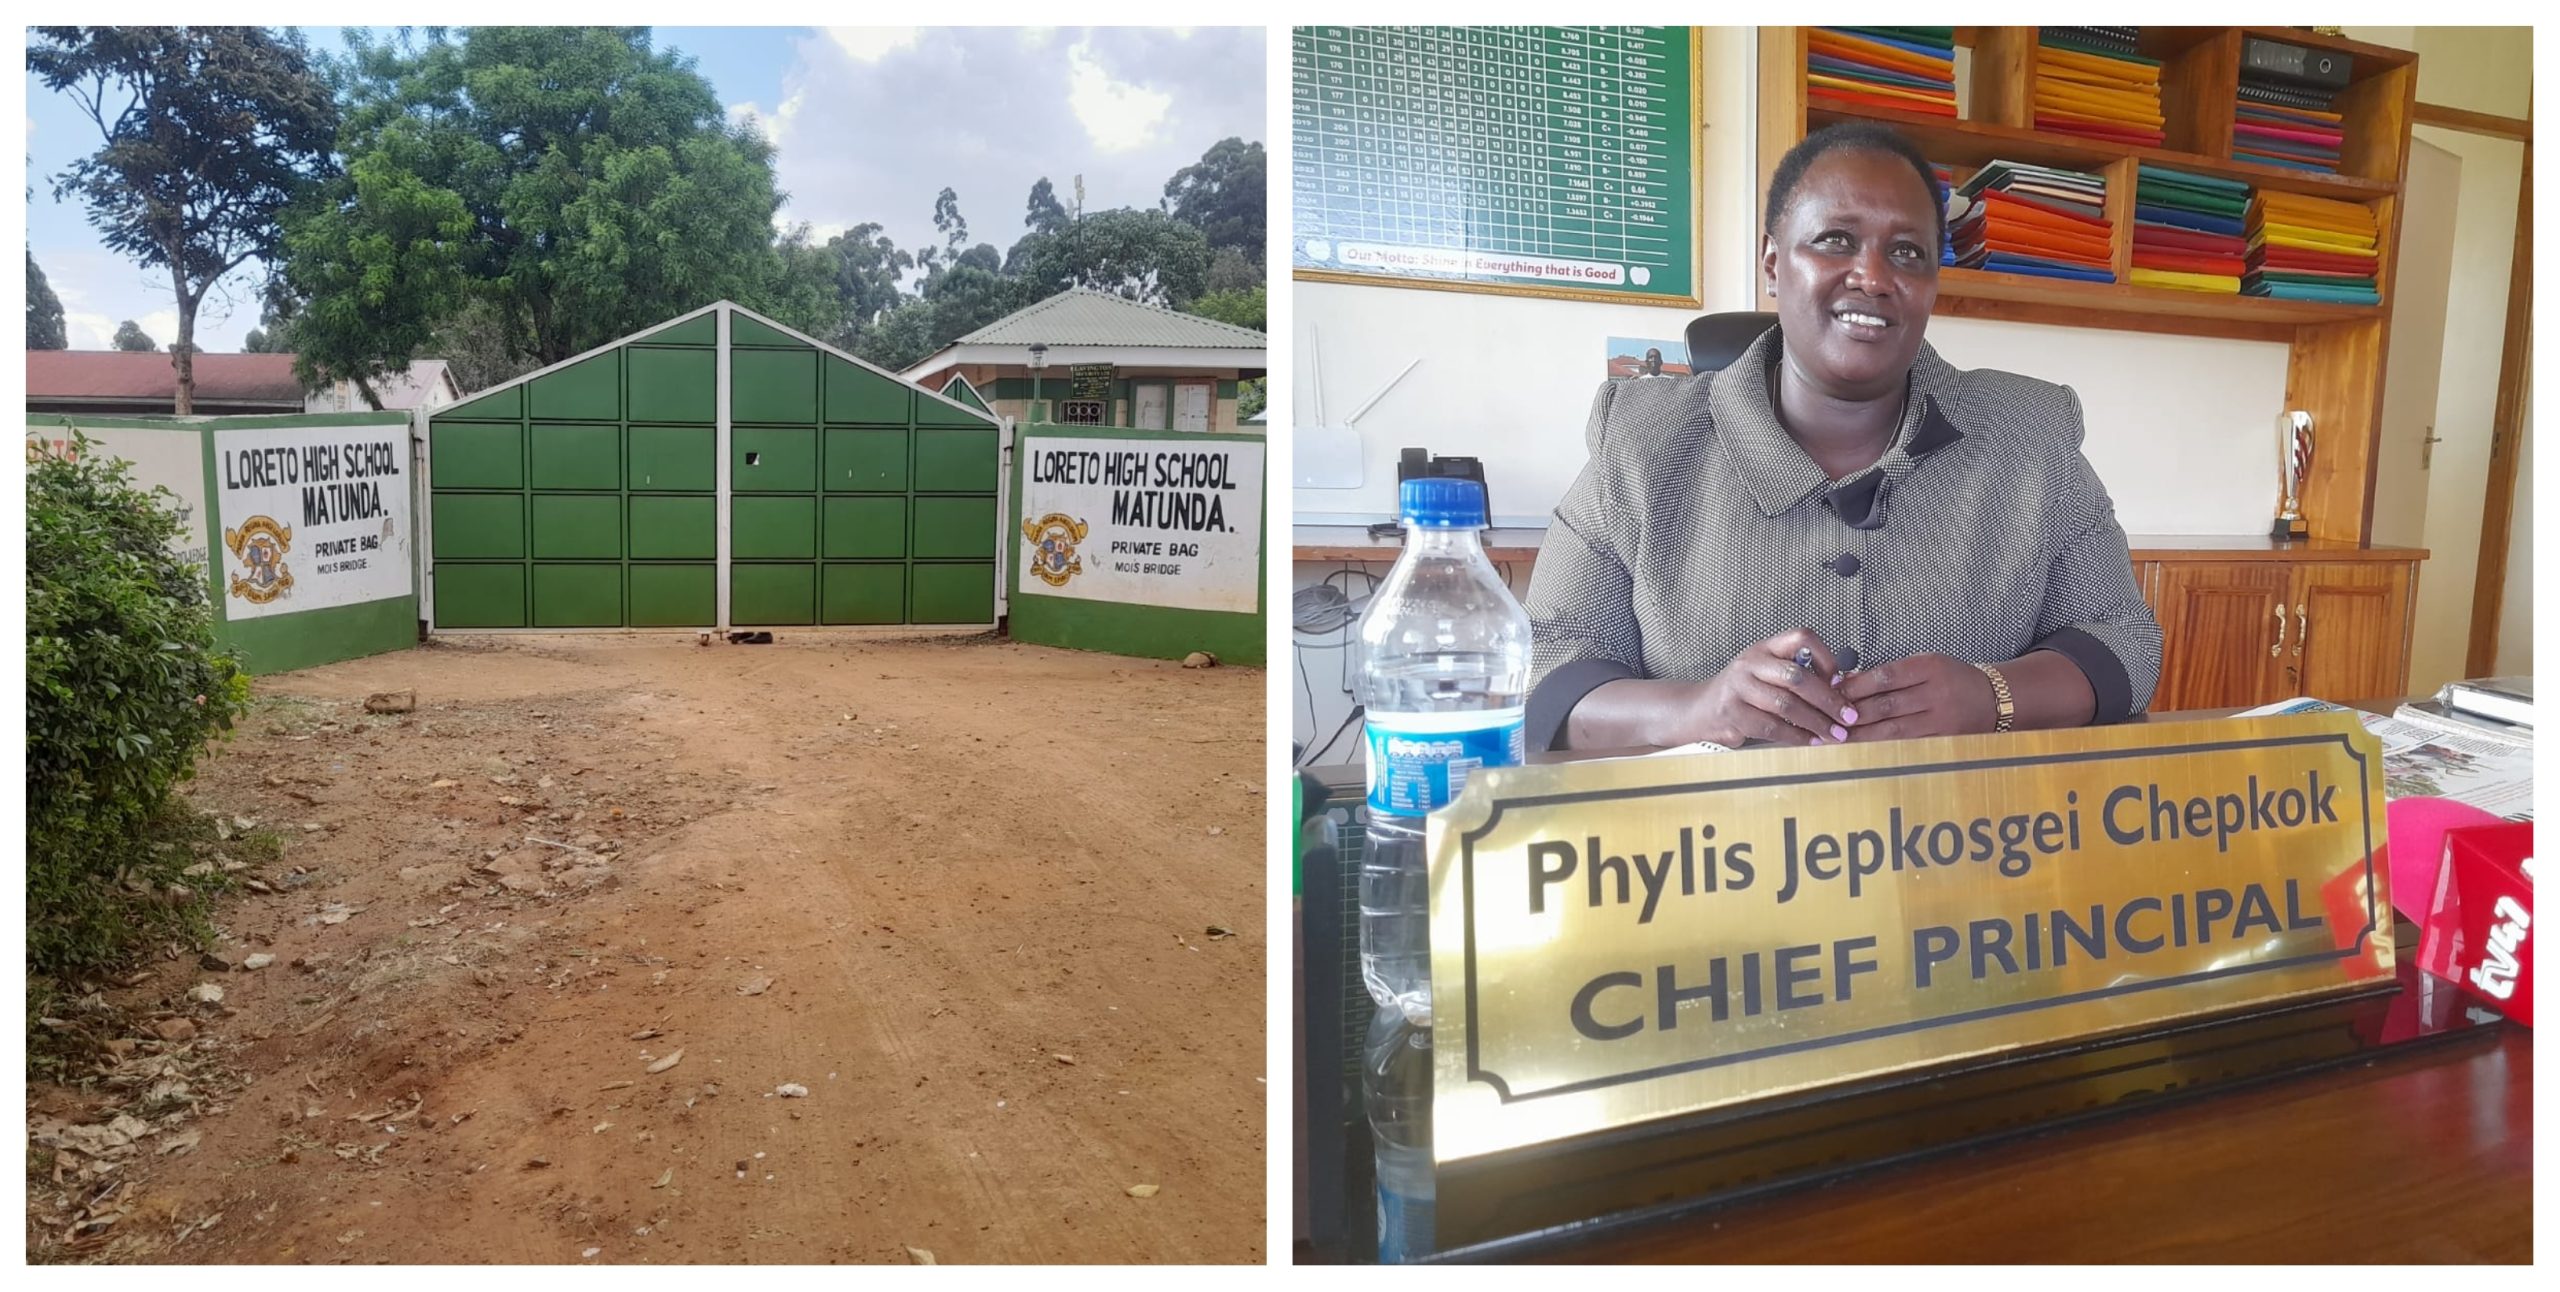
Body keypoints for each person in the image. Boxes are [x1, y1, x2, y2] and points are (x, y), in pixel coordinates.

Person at [1523, 121, 2161, 753]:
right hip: (1718, 844)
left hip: (1960, 835)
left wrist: (1991, 695)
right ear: (1774, 264)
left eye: (1907, 252)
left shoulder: (2027, 433)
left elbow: (2125, 644)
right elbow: (1545, 671)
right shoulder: (1642, 444)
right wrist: (1700, 707)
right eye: (1835, 240)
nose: (1874, 276)